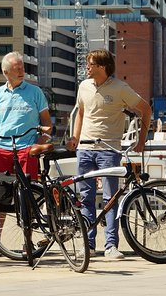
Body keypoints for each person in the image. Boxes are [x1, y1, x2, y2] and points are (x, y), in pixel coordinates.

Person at [65, 49, 152, 259]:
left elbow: (145, 109)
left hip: (109, 149)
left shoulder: (121, 88)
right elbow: (81, 113)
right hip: (84, 149)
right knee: (85, 197)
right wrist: (75, 138)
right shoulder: (84, 86)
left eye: (91, 64)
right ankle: (90, 243)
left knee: (110, 198)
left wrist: (142, 139)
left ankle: (111, 245)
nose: (87, 67)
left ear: (102, 66)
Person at [0, 52, 53, 180]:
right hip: (0, 150)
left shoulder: (35, 92)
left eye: (22, 68)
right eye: (17, 69)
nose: (22, 71)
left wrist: (37, 145)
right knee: (1, 193)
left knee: (28, 192)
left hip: (27, 150)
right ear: (6, 72)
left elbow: (47, 124)